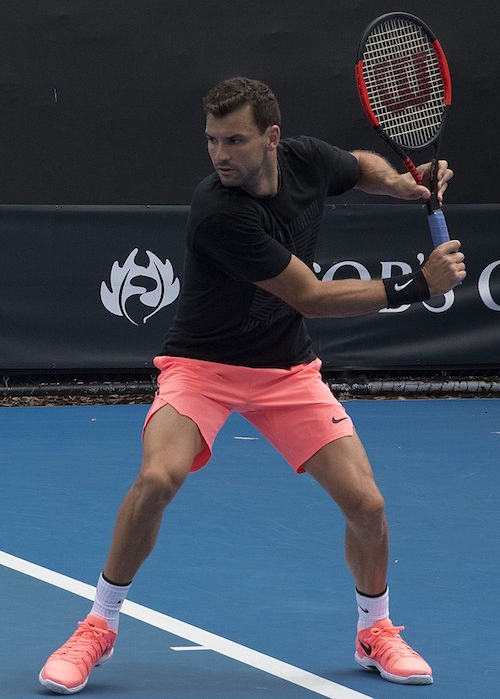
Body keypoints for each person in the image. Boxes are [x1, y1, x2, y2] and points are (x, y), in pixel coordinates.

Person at [39, 76, 465, 694]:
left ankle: (375, 629)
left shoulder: (307, 158)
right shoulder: (218, 210)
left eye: (234, 140)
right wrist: (418, 284)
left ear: (271, 137)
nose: (220, 155)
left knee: (368, 506)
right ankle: (97, 626)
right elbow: (312, 298)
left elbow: (355, 168)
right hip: (202, 369)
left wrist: (400, 182)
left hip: (286, 370)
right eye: (212, 141)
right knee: (158, 478)